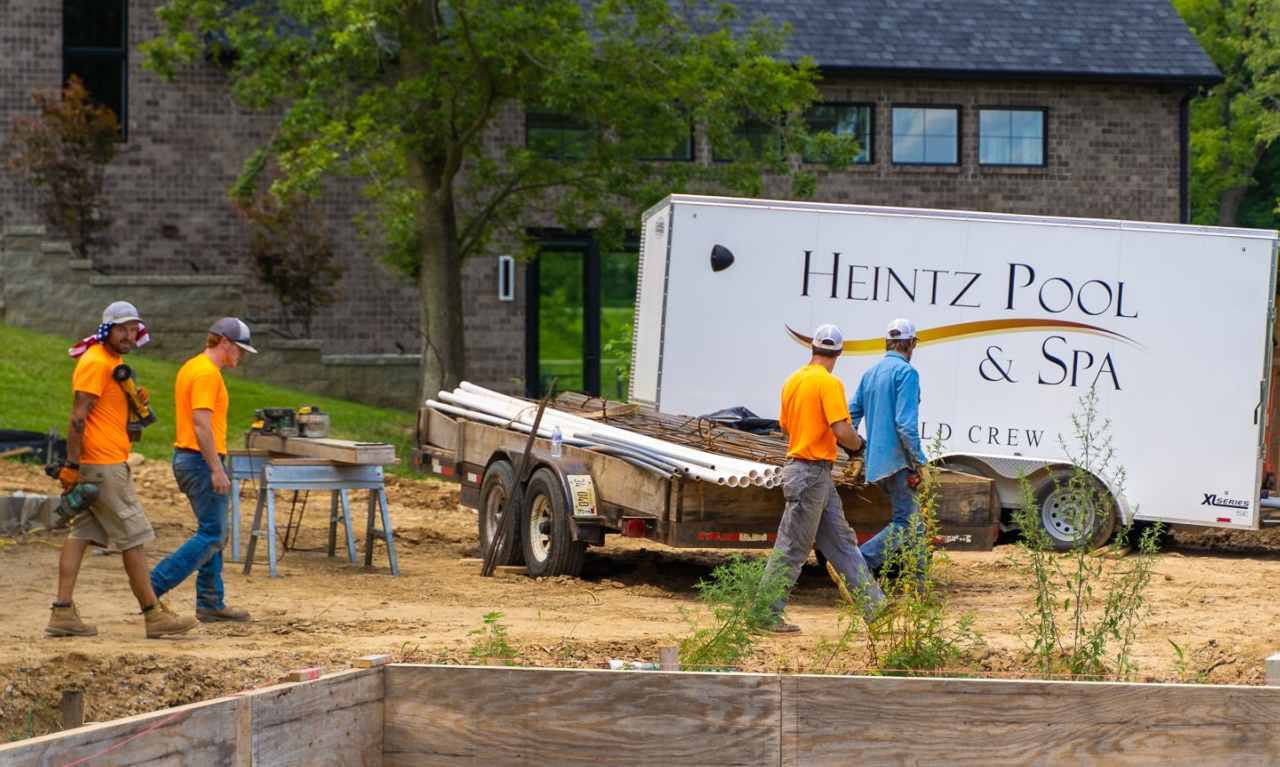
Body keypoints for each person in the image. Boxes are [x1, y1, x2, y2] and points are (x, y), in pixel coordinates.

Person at [46, 301, 200, 638]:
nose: (129, 335)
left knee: (81, 534)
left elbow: (116, 422)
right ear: (107, 330)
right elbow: (78, 416)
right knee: (134, 537)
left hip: (105, 462)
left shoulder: (115, 364)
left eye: (134, 329)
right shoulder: (96, 362)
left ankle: (62, 613)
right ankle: (153, 614)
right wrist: (71, 466)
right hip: (103, 466)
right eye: (123, 329)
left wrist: (133, 409)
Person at [759, 323, 885, 634]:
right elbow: (842, 430)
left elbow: (787, 427)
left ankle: (876, 607)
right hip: (811, 472)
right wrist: (860, 448)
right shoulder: (829, 384)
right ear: (839, 353)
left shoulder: (793, 381)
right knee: (792, 547)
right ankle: (764, 614)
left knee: (842, 544)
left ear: (813, 348)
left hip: (810, 472)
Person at [149, 318, 257, 624]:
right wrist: (216, 469)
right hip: (199, 461)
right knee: (212, 535)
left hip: (190, 459)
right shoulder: (207, 374)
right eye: (240, 348)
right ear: (224, 342)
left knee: (214, 531)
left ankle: (210, 600)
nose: (243, 355)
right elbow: (201, 424)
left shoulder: (192, 366)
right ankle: (152, 586)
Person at [849, 317, 929, 573]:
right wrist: (920, 461)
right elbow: (905, 425)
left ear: (887, 342)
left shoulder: (870, 373)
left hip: (877, 464)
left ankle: (918, 587)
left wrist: (859, 451)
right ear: (910, 343)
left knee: (915, 525)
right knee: (906, 523)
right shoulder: (907, 373)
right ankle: (858, 564)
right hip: (898, 463)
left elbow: (850, 416)